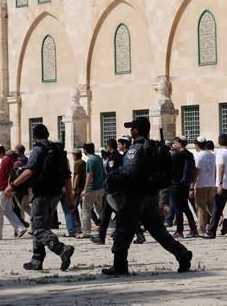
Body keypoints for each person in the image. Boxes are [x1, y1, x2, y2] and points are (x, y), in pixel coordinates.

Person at [102, 117, 192, 276]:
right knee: (158, 230)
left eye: (132, 128)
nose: (130, 131)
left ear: (136, 130)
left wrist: (112, 176)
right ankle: (181, 253)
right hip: (151, 195)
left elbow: (128, 171)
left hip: (134, 195)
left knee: (122, 229)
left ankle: (119, 266)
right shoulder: (153, 146)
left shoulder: (135, 148)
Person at [5, 124, 76, 271]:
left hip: (41, 194)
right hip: (55, 194)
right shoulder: (58, 151)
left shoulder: (38, 150)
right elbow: (67, 177)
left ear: (34, 136)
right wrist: (69, 197)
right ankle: (36, 260)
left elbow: (29, 171)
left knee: (38, 229)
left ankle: (62, 249)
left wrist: (12, 185)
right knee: (39, 225)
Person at [0, 144, 27, 239]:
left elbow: (10, 176)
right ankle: (20, 228)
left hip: (4, 190)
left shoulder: (6, 161)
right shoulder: (5, 160)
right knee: (8, 211)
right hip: (5, 189)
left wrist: (9, 189)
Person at [170, 137, 198, 238]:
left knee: (178, 208)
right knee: (186, 208)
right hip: (185, 184)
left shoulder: (177, 155)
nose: (173, 145)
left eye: (175, 143)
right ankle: (193, 229)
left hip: (176, 184)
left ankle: (179, 230)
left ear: (179, 143)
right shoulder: (190, 154)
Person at [79, 143, 105, 238]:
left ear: (85, 151)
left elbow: (90, 176)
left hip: (91, 189)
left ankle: (86, 232)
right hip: (100, 188)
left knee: (86, 211)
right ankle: (106, 227)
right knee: (101, 210)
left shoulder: (90, 161)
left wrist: (85, 189)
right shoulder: (99, 158)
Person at [192, 137, 216, 237]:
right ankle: (219, 220)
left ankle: (201, 230)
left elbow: (196, 172)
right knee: (209, 205)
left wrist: (192, 186)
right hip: (211, 183)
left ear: (197, 145)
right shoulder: (212, 155)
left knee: (201, 208)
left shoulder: (198, 156)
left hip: (201, 184)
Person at [66, 149, 86, 236]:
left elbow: (77, 175)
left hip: (78, 189)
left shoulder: (77, 163)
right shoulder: (83, 162)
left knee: (73, 208)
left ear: (75, 155)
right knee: (84, 208)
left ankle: (77, 228)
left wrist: (73, 188)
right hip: (82, 187)